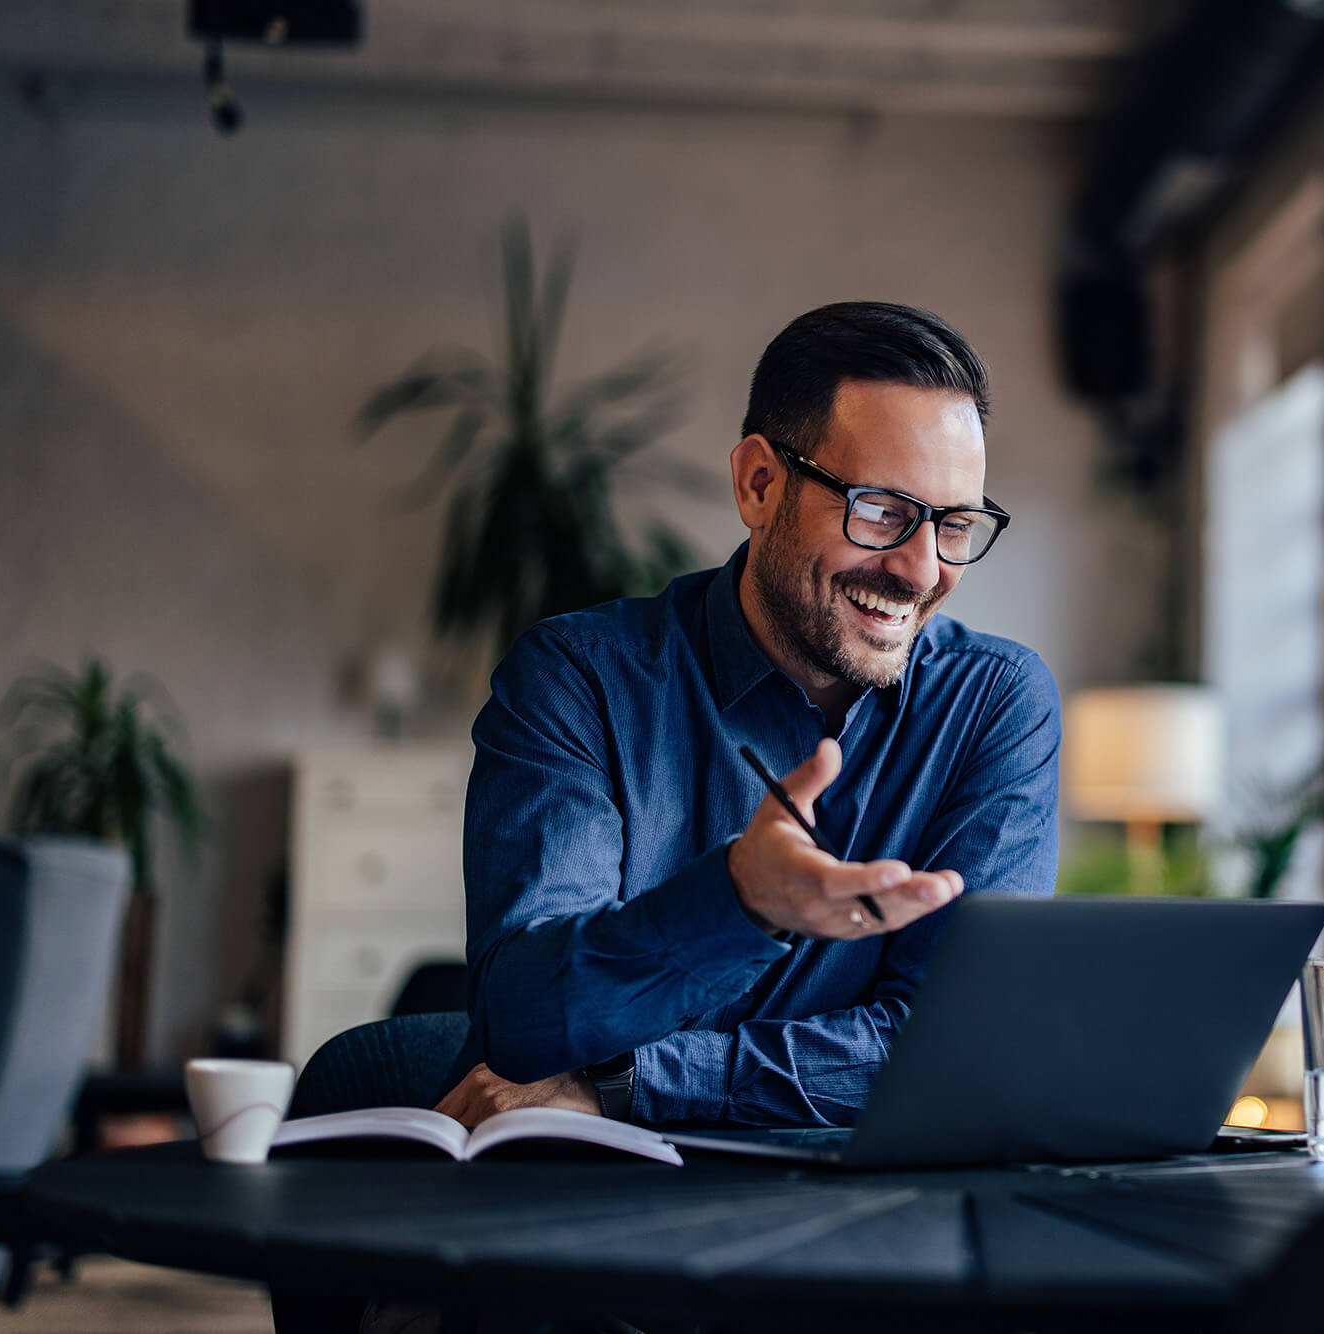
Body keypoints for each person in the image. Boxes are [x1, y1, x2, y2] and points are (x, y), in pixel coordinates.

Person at [433, 301, 1062, 1130]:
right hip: (585, 1204)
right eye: (880, 510)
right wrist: (738, 902)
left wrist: (627, 1084)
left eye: (954, 524)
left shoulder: (993, 704)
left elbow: (964, 1048)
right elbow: (525, 1020)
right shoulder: (579, 678)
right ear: (759, 484)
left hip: (857, 1222)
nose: (921, 569)